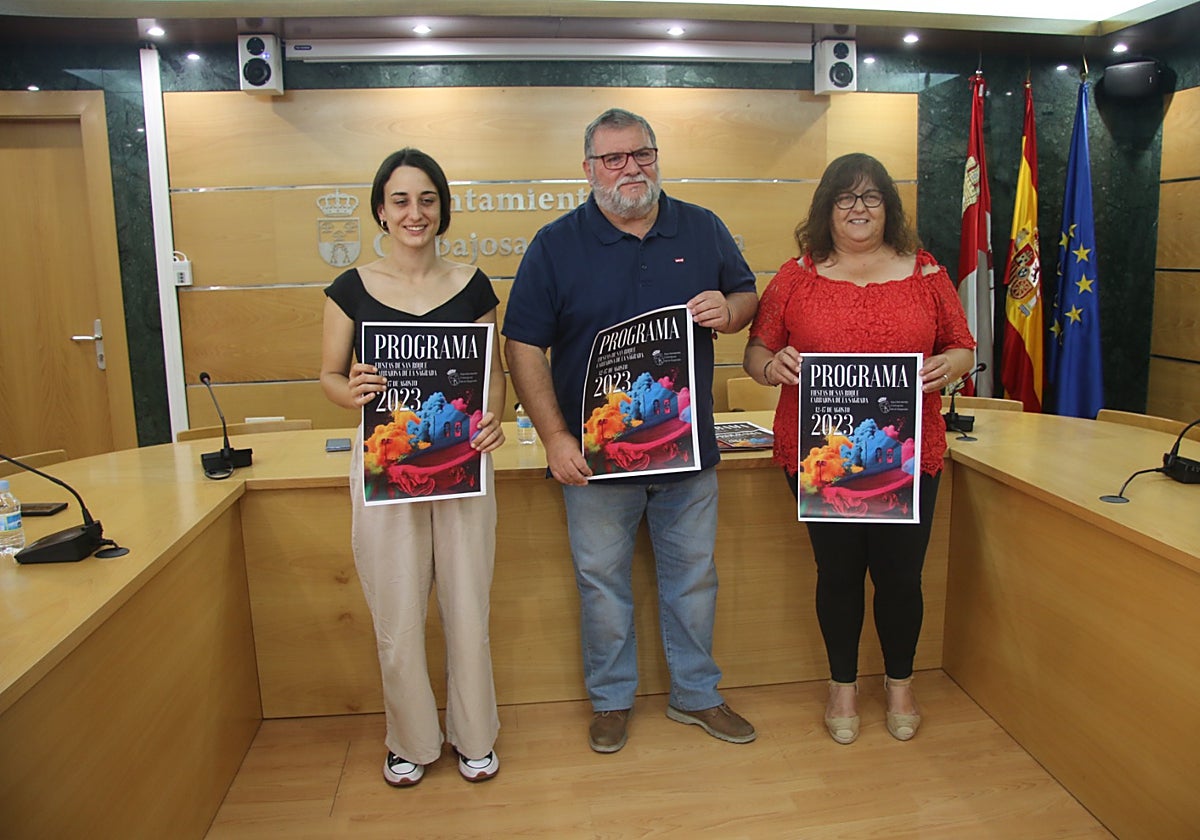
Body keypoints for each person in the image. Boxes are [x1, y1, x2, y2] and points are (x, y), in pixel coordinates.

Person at [503, 108, 759, 753]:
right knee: (601, 582)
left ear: (656, 156)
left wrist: (730, 311)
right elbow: (522, 347)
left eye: (639, 154)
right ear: (588, 169)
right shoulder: (555, 243)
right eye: (613, 159)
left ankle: (697, 694)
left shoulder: (701, 228)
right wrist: (556, 438)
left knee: (695, 577)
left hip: (687, 449)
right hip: (594, 459)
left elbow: (747, 294)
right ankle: (612, 700)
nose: (629, 169)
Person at [743, 152, 976, 744]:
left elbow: (964, 347)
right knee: (838, 573)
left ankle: (900, 682)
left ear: (889, 208)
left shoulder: (926, 274)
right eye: (845, 198)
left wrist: (948, 366)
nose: (858, 208)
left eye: (871, 197)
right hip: (822, 455)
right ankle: (842, 686)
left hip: (908, 452)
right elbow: (755, 353)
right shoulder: (796, 277)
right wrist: (774, 367)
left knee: (901, 575)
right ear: (826, 208)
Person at [320, 148, 507, 786]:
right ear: (380, 209)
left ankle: (475, 734)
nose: (414, 212)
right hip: (384, 466)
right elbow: (327, 375)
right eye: (400, 200)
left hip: (464, 463)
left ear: (442, 208)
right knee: (397, 611)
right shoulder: (349, 289)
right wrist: (350, 393)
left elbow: (494, 375)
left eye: (426, 199)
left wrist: (493, 417)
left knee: (466, 605)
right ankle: (409, 738)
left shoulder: (474, 284)